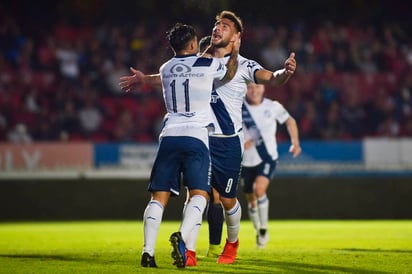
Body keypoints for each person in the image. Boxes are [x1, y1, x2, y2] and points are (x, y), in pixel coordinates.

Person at [119, 10, 296, 265]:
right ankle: (188, 252)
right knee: (196, 194)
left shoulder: (245, 65)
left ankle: (232, 242)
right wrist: (145, 79)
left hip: (228, 142)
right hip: (201, 137)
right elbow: (171, 75)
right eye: (216, 24)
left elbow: (273, 79)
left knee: (227, 200)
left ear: (236, 36)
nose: (217, 28)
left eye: (225, 26)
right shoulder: (198, 59)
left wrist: (286, 72)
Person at [137, 22, 239, 268]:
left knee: (158, 198)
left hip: (169, 136)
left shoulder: (166, 67)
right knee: (200, 195)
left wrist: (142, 79)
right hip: (196, 137)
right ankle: (183, 237)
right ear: (194, 44)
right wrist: (234, 50)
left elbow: (160, 78)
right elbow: (230, 73)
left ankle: (148, 253)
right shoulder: (208, 65)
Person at [241, 82, 301, 248]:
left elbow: (290, 121)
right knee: (251, 199)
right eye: (250, 87)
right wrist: (240, 142)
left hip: (267, 157)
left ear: (263, 88)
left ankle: (264, 230)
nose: (254, 91)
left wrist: (295, 143)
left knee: (259, 190)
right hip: (245, 161)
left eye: (257, 87)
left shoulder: (273, 106)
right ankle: (257, 228)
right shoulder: (237, 106)